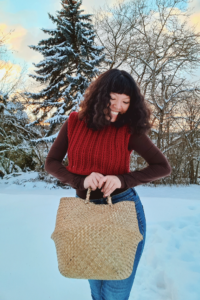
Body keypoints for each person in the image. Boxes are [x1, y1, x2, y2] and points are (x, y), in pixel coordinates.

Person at [45, 69, 172, 300]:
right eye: (112, 99)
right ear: (100, 96)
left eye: (125, 102)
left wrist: (121, 179)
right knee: (95, 284)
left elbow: (162, 166)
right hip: (85, 211)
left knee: (115, 290)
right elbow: (51, 163)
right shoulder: (74, 123)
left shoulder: (129, 130)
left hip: (122, 210)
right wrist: (80, 180)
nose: (117, 107)